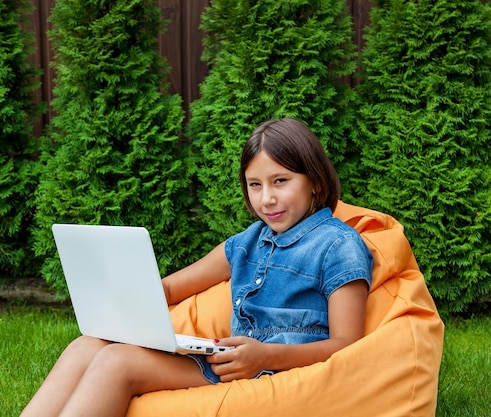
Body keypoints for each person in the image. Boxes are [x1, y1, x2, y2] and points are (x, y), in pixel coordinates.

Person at [20, 117, 374, 417]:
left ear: (314, 180)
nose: (266, 198)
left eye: (280, 181)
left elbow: (347, 345)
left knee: (117, 363)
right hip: (227, 362)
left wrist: (266, 354)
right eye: (255, 185)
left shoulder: (339, 245)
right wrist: (125, 299)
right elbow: (172, 289)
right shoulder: (247, 242)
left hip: (275, 371)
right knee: (88, 345)